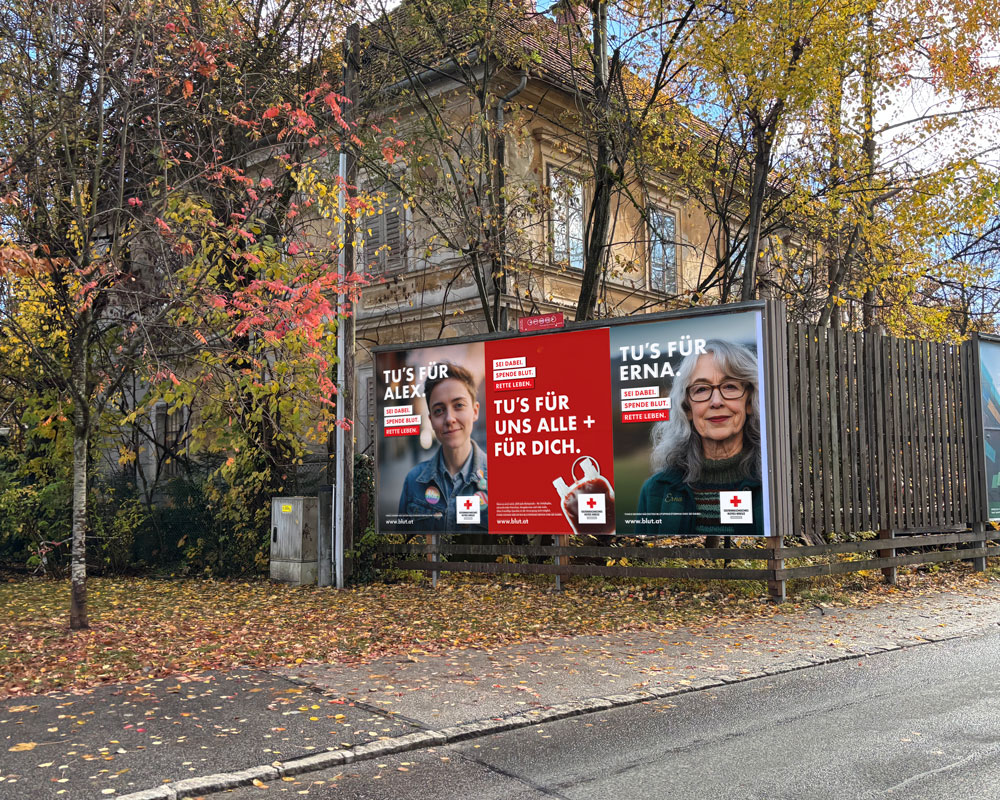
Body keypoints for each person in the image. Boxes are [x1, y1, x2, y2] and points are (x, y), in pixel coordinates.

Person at [636, 339, 764, 539]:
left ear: (749, 401)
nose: (716, 402)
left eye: (730, 386)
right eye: (701, 389)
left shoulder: (773, 485)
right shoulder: (656, 490)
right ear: (687, 408)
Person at [397, 362, 488, 533]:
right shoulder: (413, 481)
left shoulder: (501, 480)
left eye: (459, 405)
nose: (449, 419)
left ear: (475, 411)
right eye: (439, 410)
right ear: (431, 420)